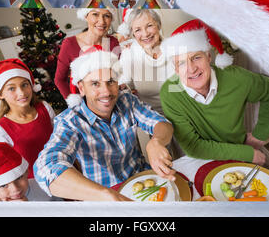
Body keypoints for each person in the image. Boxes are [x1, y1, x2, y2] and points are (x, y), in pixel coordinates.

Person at [34, 47, 176, 201]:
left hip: (145, 181)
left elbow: (162, 123)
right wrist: (106, 194)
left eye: (111, 82)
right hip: (103, 195)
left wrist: (156, 142)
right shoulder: (70, 122)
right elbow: (45, 168)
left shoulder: (127, 101)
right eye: (95, 84)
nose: (106, 92)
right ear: (81, 88)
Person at [160, 19, 269, 165]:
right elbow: (193, 146)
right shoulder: (170, 93)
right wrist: (246, 153)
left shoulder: (236, 78)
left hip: (238, 153)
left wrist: (260, 133)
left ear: (209, 57)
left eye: (196, 57)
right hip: (201, 159)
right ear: (176, 70)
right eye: (181, 62)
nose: (191, 69)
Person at [117, 8, 191, 159]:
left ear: (158, 25)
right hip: (155, 119)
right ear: (132, 33)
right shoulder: (129, 54)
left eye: (149, 25)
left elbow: (191, 82)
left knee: (191, 157)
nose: (145, 34)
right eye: (138, 29)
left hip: (184, 112)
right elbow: (124, 83)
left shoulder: (175, 48)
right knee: (166, 161)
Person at [0, 58, 55, 182]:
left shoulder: (45, 108)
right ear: (0, 94)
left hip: (65, 174)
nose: (21, 93)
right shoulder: (0, 129)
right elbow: (3, 167)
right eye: (11, 88)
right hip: (34, 186)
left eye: (25, 85)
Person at [54, 8, 120, 107]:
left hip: (108, 101)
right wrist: (76, 104)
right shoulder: (69, 44)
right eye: (95, 14)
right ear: (86, 16)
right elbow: (59, 80)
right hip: (84, 104)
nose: (102, 21)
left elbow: (118, 76)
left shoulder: (113, 42)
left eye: (107, 16)